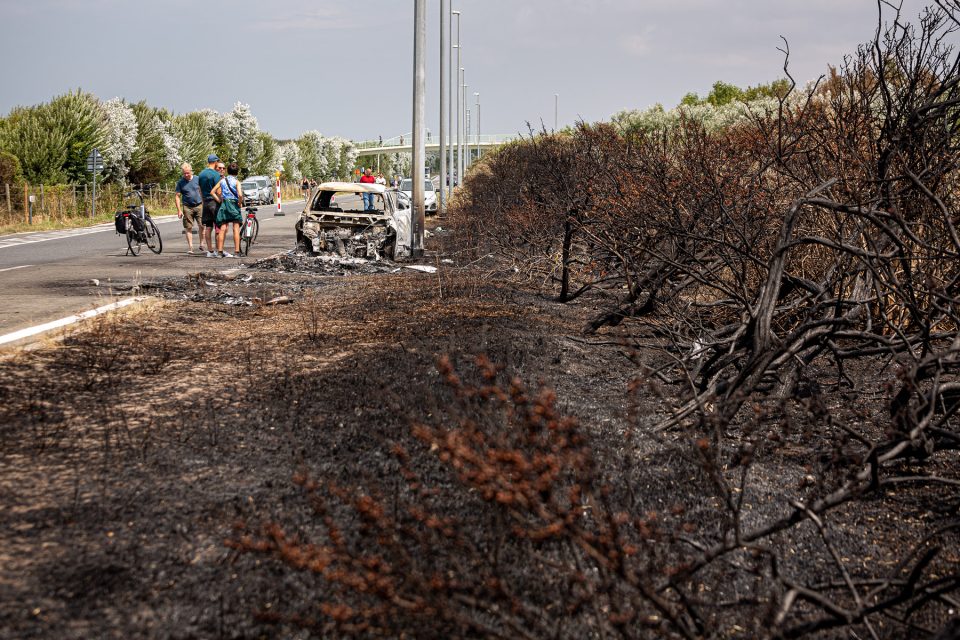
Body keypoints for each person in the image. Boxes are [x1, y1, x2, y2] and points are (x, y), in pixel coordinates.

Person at [211, 162, 244, 257]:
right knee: (235, 228)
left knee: (223, 228)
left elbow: (212, 192)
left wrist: (220, 200)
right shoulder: (237, 182)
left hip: (224, 204)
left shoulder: (222, 181)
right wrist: (240, 202)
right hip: (234, 205)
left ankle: (220, 252)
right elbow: (240, 195)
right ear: (237, 172)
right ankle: (237, 252)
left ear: (227, 171)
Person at [175, 163, 204, 254]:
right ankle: (191, 247)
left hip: (199, 205)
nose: (186, 175)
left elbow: (202, 191)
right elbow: (177, 196)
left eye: (188, 173)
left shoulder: (198, 179)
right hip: (187, 207)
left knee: (202, 225)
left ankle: (201, 244)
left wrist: (204, 203)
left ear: (191, 171)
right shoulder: (180, 182)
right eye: (184, 173)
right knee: (188, 227)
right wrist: (179, 210)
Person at [197, 154, 222, 258]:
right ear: (215, 162)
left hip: (206, 202)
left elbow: (200, 189)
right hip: (214, 202)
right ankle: (218, 249)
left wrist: (203, 201)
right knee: (218, 227)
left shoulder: (201, 174)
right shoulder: (216, 175)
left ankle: (210, 251)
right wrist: (221, 201)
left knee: (208, 227)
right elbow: (218, 190)